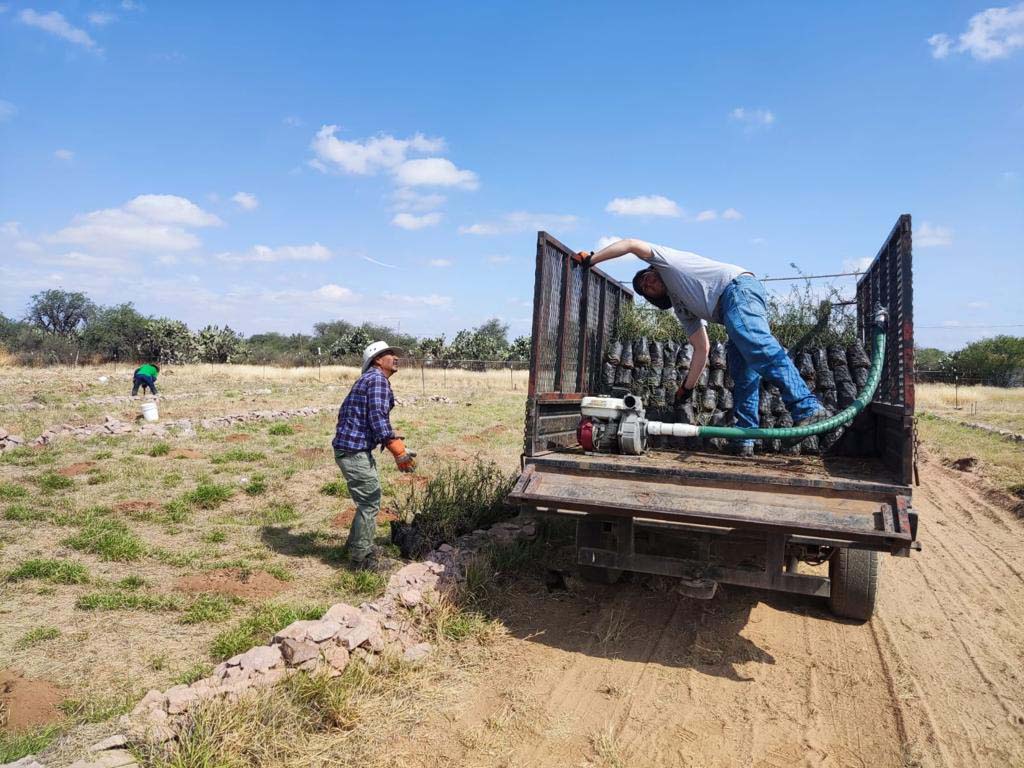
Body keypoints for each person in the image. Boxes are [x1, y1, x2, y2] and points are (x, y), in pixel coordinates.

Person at [575, 239, 827, 456]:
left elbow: (631, 244)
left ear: (653, 269)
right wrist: (686, 388)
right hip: (731, 307)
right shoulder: (683, 308)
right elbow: (701, 349)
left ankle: (808, 408)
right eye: (644, 289)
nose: (647, 283)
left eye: (646, 277)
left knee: (757, 345)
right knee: (743, 373)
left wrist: (594, 259)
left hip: (737, 290)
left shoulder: (669, 264)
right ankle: (745, 440)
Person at [332, 340, 417, 569]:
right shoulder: (378, 380)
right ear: (378, 360)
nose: (395, 357)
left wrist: (395, 441)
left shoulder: (369, 380)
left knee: (366, 501)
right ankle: (361, 559)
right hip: (354, 451)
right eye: (389, 354)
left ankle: (357, 546)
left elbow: (369, 418)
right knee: (370, 502)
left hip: (351, 448)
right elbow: (378, 419)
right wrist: (398, 451)